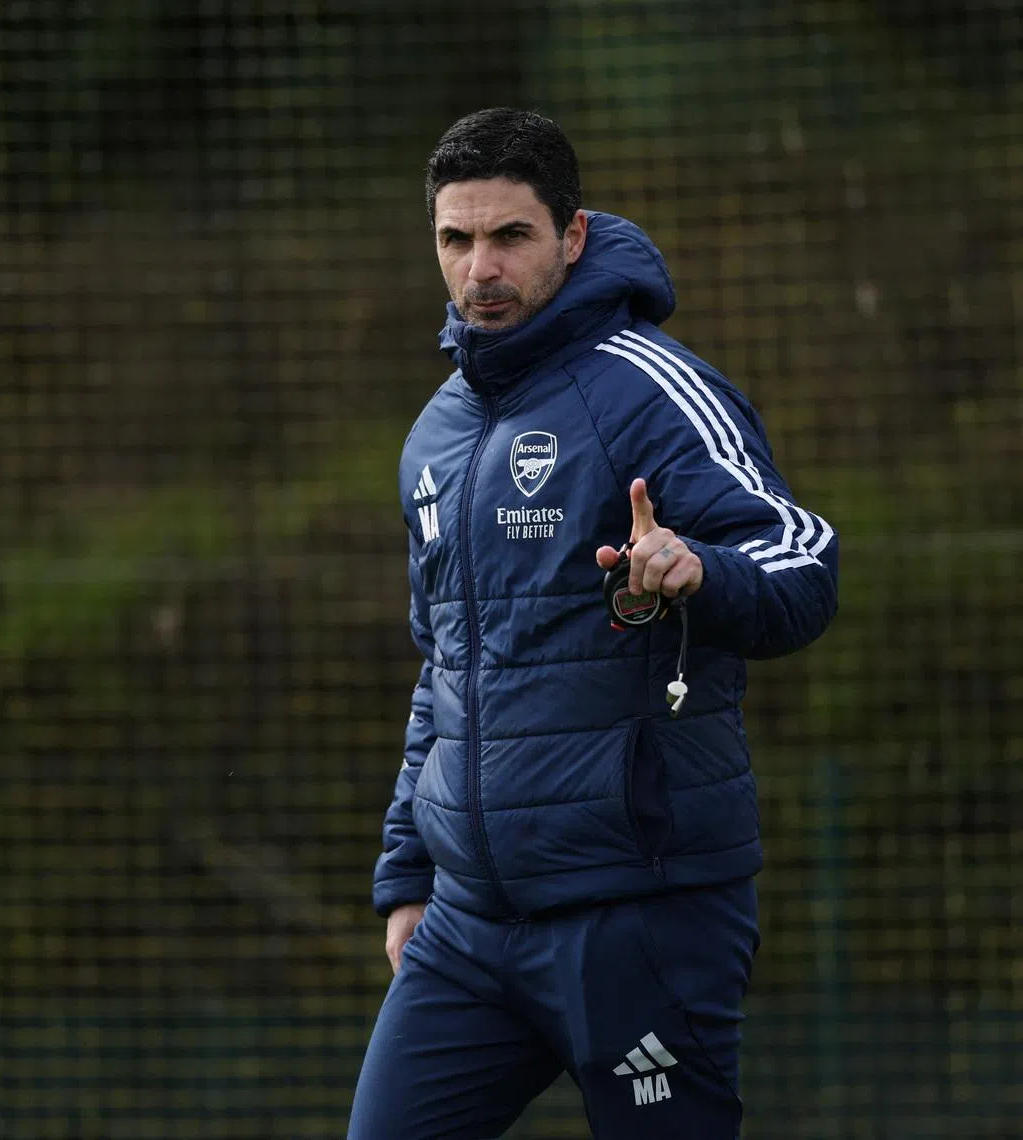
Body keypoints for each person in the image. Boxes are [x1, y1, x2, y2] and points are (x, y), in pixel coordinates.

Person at [347, 107, 838, 1140]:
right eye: (456, 239)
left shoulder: (651, 388)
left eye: (510, 236)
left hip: (639, 912)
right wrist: (408, 879)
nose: (480, 268)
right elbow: (442, 667)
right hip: (468, 932)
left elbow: (804, 567)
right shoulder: (435, 434)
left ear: (571, 237)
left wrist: (701, 567)